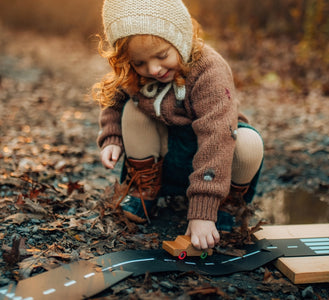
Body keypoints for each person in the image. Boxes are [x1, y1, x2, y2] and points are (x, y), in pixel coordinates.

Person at [93, 0, 264, 250]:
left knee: (249, 143)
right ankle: (145, 191)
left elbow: (217, 137)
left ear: (181, 39)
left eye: (162, 55)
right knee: (133, 109)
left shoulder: (209, 70)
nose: (153, 69)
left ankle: (225, 205)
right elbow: (115, 97)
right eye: (139, 63)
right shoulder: (139, 71)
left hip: (217, 163)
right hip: (168, 157)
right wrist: (111, 136)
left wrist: (203, 212)